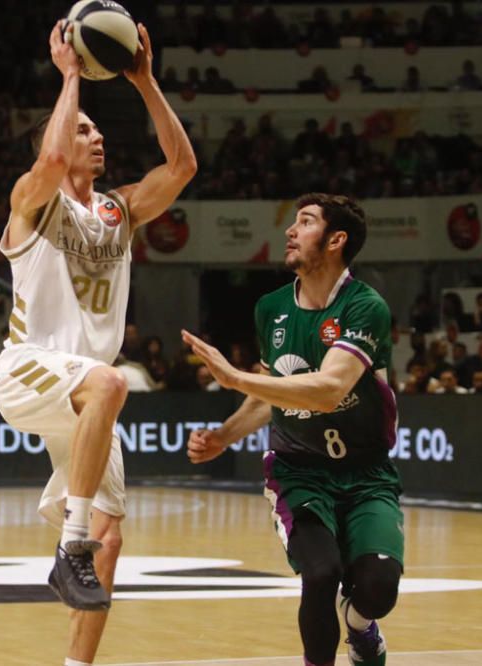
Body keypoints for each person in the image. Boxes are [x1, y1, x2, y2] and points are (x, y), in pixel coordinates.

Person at [0, 20, 196, 666]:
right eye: (84, 129)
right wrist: (71, 72)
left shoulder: (119, 210)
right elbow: (50, 162)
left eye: (98, 129)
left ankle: (77, 661)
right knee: (111, 381)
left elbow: (183, 166)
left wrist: (143, 78)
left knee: (112, 540)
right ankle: (67, 545)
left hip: (86, 397)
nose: (97, 135)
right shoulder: (31, 204)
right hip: (28, 371)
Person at [184, 194, 399, 666]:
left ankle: (361, 625)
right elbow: (270, 395)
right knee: (320, 574)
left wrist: (233, 376)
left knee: (379, 589)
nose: (290, 231)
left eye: (304, 222)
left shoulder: (366, 306)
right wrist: (224, 435)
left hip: (366, 475)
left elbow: (327, 388)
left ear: (336, 240)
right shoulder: (271, 308)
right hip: (298, 470)